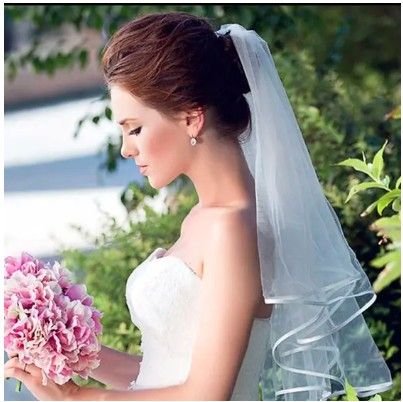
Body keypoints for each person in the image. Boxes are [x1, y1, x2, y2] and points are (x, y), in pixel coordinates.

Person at [4, 11, 392, 401]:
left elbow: (206, 394)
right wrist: (63, 345)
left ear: (192, 118)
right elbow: (160, 373)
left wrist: (76, 398)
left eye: (135, 128)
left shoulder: (232, 227)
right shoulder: (205, 218)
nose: (126, 149)